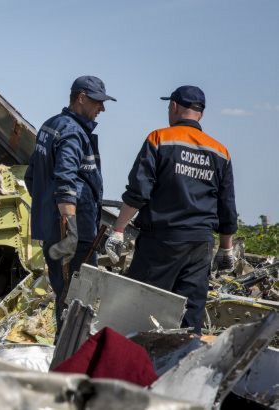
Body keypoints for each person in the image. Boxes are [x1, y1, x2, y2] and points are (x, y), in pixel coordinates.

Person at [105, 86, 237, 333]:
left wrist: (118, 230)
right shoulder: (220, 151)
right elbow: (226, 205)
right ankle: (182, 365)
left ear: (174, 107)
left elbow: (138, 192)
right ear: (201, 114)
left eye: (169, 107)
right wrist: (226, 249)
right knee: (189, 317)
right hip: (200, 245)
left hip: (162, 242)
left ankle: (135, 367)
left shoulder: (159, 139)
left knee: (140, 309)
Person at [25, 76, 116, 331]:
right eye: (98, 102)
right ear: (81, 98)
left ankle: (64, 350)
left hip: (56, 230)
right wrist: (71, 231)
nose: (102, 108)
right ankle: (71, 354)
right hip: (74, 237)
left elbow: (32, 176)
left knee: (65, 296)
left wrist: (47, 213)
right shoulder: (73, 133)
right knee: (78, 301)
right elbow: (65, 182)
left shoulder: (51, 126)